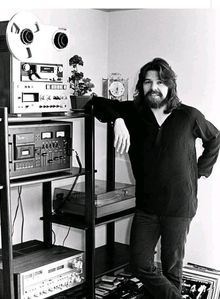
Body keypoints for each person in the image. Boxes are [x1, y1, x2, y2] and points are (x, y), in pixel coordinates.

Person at [87, 58, 220, 299]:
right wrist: (118, 120)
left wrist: (200, 170)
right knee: (139, 263)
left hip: (180, 204)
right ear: (141, 86)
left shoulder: (188, 116)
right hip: (147, 206)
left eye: (160, 81)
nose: (153, 87)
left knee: (171, 268)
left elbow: (215, 138)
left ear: (170, 85)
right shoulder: (133, 113)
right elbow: (96, 103)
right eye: (147, 82)